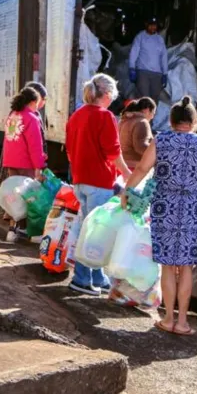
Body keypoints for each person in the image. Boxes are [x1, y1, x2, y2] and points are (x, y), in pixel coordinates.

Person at [121, 96, 197, 335]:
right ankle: (183, 322)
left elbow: (142, 168)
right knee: (185, 267)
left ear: (172, 121)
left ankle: (168, 318)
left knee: (167, 266)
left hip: (165, 207)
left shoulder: (161, 140)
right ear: (194, 122)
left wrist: (128, 191)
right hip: (193, 209)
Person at [65, 73, 132, 296]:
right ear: (107, 94)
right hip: (99, 181)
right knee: (95, 233)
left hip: (80, 179)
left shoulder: (77, 115)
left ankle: (96, 277)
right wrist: (128, 174)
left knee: (88, 227)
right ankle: (82, 278)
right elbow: (113, 151)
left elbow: (69, 149)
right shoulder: (105, 117)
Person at [1, 86, 47, 242]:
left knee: (14, 197)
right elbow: (35, 146)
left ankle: (12, 231)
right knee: (31, 198)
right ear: (33, 101)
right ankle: (33, 234)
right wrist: (38, 167)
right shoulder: (31, 118)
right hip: (26, 164)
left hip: (11, 163)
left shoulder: (13, 116)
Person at [129, 17, 168, 101]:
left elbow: (163, 56)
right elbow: (134, 52)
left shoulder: (159, 39)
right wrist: (132, 68)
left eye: (155, 26)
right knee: (144, 98)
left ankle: (152, 114)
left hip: (157, 74)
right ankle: (143, 114)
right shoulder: (140, 37)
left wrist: (165, 73)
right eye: (151, 25)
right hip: (143, 72)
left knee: (154, 99)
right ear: (146, 24)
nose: (153, 27)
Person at [118, 97, 156, 172]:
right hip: (135, 168)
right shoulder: (142, 122)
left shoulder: (123, 120)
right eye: (153, 113)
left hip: (121, 165)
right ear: (147, 110)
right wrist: (157, 154)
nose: (152, 117)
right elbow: (140, 147)